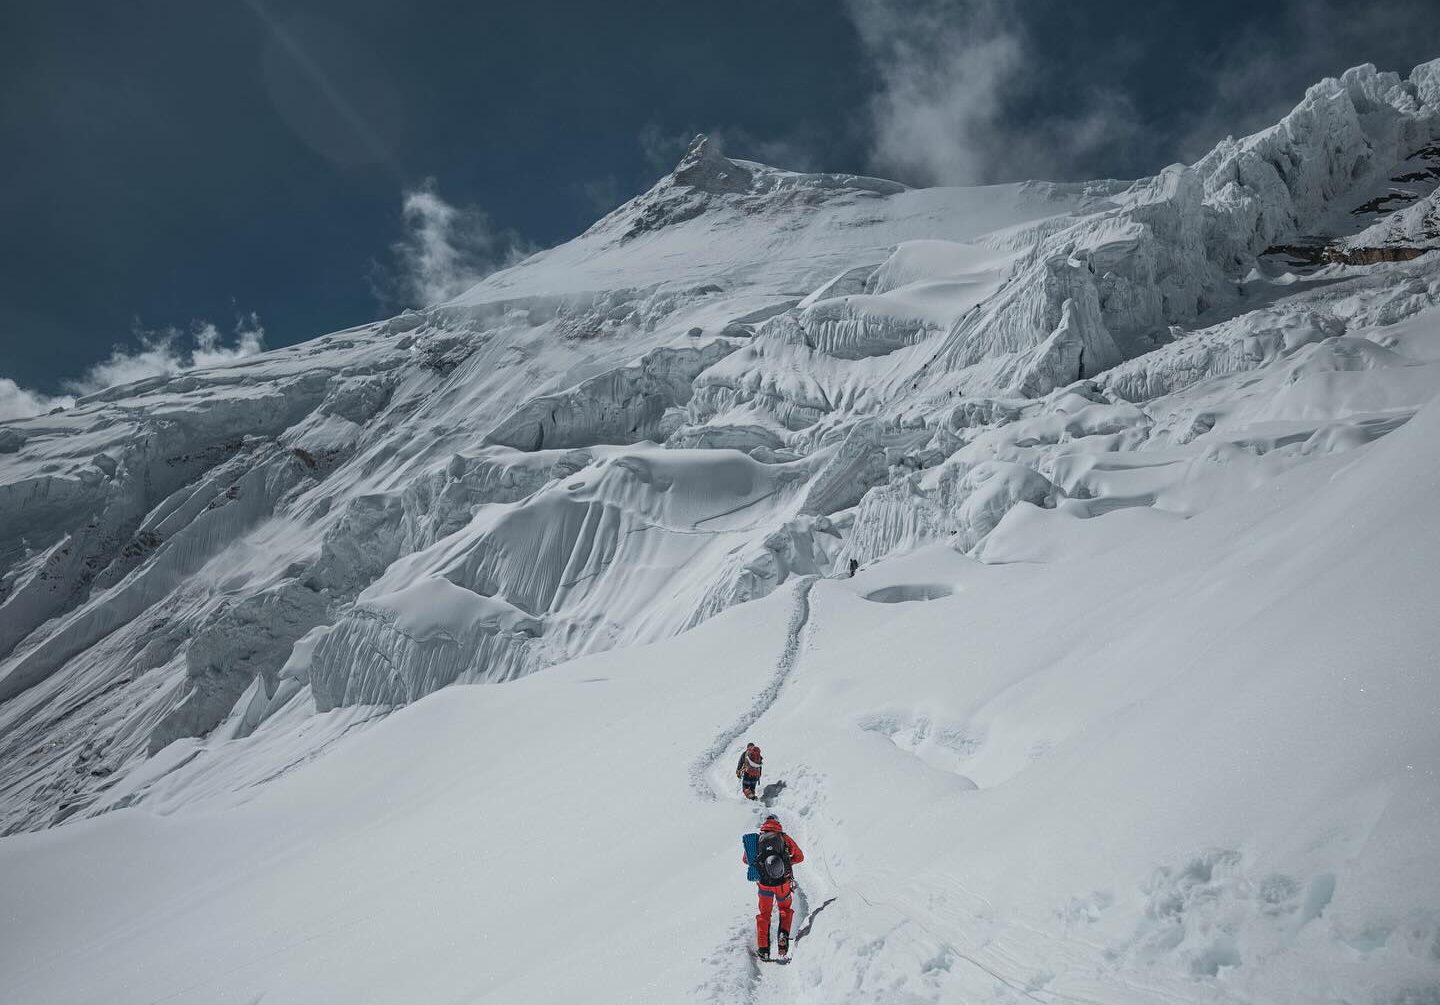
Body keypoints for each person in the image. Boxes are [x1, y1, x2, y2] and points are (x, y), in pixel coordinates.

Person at [742, 814, 805, 960]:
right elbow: (800, 857)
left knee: (764, 914)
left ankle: (763, 949)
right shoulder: (783, 838)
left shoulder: (757, 839)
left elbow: (746, 860)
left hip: (764, 884)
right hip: (783, 883)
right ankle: (783, 937)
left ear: (764, 825)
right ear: (777, 824)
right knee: (784, 910)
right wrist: (785, 864)